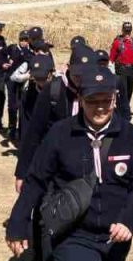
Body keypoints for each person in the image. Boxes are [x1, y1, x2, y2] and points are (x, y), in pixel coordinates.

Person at [6, 66, 133, 261]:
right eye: (93, 101)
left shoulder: (130, 135)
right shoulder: (60, 133)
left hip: (115, 236)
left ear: (115, 99)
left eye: (106, 100)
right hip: (73, 233)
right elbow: (36, 180)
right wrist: (18, 221)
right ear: (81, 99)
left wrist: (128, 221)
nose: (100, 107)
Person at [16, 42, 98, 190]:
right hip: (55, 165)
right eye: (77, 73)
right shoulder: (53, 91)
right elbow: (34, 133)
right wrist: (22, 173)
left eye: (86, 73)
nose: (81, 78)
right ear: (68, 66)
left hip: (89, 165)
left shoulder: (101, 94)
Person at [109, 22, 133, 106]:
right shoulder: (117, 42)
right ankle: (122, 108)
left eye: (128, 32)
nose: (127, 34)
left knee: (129, 90)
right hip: (121, 69)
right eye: (125, 31)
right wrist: (109, 66)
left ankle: (125, 106)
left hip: (132, 69)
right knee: (122, 90)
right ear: (122, 31)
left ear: (131, 31)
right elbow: (112, 56)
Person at [5, 30, 33, 142]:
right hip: (11, 81)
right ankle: (11, 127)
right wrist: (7, 61)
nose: (24, 42)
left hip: (23, 82)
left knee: (22, 105)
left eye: (26, 40)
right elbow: (1, 55)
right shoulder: (12, 48)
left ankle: (20, 130)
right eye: (22, 40)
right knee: (12, 106)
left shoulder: (30, 52)